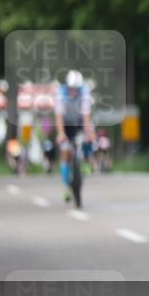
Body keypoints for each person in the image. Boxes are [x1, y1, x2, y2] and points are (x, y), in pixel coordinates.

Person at [54, 70, 95, 202]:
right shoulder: (60, 94)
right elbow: (59, 116)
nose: (74, 91)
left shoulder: (85, 93)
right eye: (71, 88)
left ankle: (86, 161)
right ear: (67, 86)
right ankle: (68, 187)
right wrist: (61, 133)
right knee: (65, 153)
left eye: (76, 89)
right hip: (66, 124)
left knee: (89, 138)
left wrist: (89, 133)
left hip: (79, 122)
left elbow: (86, 117)